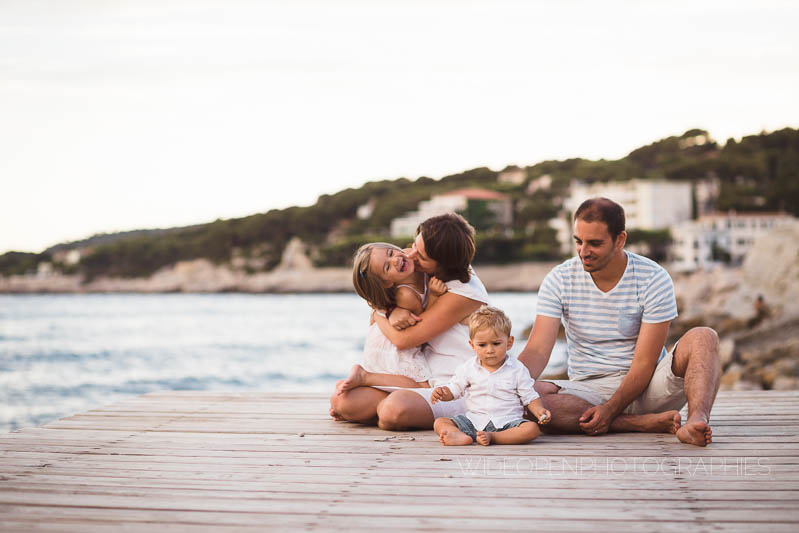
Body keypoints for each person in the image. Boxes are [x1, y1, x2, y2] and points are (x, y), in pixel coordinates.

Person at [518, 197, 721, 447]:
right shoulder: (559, 279)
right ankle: (640, 423)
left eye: (594, 243)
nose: (584, 252)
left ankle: (696, 422)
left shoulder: (653, 278)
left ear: (620, 240)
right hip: (588, 391)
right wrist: (501, 385)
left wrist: (611, 409)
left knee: (704, 336)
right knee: (525, 397)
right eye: (578, 242)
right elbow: (537, 350)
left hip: (650, 386)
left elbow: (645, 363)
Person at [329, 213, 490, 430]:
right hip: (427, 379)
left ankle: (391, 407)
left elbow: (404, 340)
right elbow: (381, 287)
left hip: (458, 387)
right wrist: (389, 310)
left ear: (440, 265)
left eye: (421, 255)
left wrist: (379, 314)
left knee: (392, 411)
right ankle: (390, 407)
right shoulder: (422, 266)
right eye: (413, 245)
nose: (411, 255)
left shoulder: (463, 293)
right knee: (342, 401)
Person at [335, 242, 449, 393]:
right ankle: (365, 377)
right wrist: (434, 295)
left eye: (390, 253)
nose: (395, 260)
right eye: (387, 267)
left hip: (388, 334)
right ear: (388, 283)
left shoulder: (408, 254)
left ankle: (353, 388)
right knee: (424, 387)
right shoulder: (406, 295)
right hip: (389, 344)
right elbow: (426, 319)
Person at [431, 306, 551, 446]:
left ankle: (494, 437)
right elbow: (454, 390)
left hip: (507, 423)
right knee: (440, 422)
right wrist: (443, 393)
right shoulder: (468, 368)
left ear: (509, 343)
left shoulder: (517, 369)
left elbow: (529, 397)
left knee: (532, 429)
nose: (489, 350)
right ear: (472, 345)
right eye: (482, 345)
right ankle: (459, 435)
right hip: (474, 422)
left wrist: (539, 411)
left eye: (496, 343)